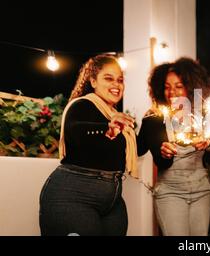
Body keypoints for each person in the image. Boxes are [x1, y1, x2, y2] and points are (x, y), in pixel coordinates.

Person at [39, 54, 137, 236]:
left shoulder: (114, 115)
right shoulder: (82, 105)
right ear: (93, 81)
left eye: (120, 80)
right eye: (108, 78)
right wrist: (106, 127)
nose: (116, 85)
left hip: (112, 200)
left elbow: (137, 148)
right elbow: (74, 131)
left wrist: (153, 119)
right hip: (73, 195)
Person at [137, 58, 210, 236]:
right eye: (167, 86)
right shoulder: (154, 119)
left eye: (178, 86)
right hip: (170, 192)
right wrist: (161, 150)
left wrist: (208, 142)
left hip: (201, 189)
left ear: (191, 86)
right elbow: (139, 149)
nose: (172, 92)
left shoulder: (204, 113)